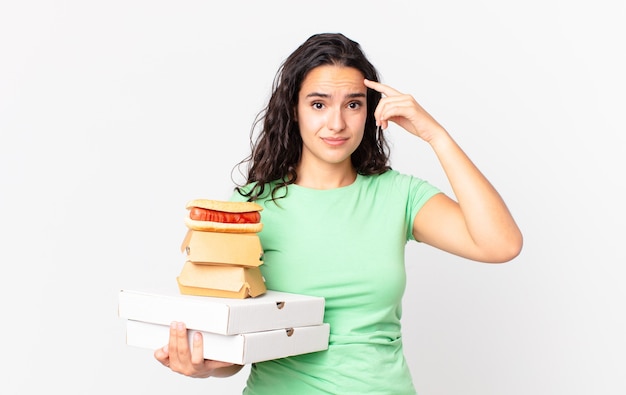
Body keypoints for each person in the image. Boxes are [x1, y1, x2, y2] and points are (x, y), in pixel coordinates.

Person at [154, 32, 523, 394]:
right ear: (293, 111)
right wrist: (203, 365)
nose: (337, 124)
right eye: (318, 104)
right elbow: (235, 346)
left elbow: (500, 244)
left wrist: (435, 135)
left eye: (353, 104)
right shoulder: (249, 208)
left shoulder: (398, 195)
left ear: (370, 110)